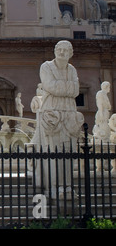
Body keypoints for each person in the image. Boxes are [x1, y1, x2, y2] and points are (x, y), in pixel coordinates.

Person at [33, 40, 84, 199]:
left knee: (68, 152)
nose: (62, 53)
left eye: (65, 50)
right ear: (55, 51)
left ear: (71, 53)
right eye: (59, 49)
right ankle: (54, 187)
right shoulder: (46, 67)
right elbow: (50, 86)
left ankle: (68, 187)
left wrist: (61, 86)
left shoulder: (72, 69)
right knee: (53, 152)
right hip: (52, 114)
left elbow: (76, 90)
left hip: (69, 112)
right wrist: (66, 87)